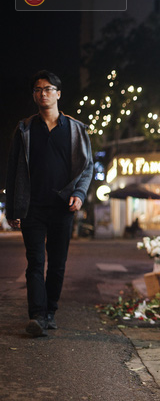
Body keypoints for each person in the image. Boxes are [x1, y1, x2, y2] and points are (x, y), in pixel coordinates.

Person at [5, 70, 93, 337]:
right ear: (34, 95)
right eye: (37, 90)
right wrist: (13, 208)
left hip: (62, 206)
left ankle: (51, 310)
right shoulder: (24, 128)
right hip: (32, 207)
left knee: (57, 263)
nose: (42, 93)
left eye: (47, 89)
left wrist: (79, 194)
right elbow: (13, 171)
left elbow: (87, 167)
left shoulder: (76, 129)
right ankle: (37, 316)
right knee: (34, 262)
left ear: (58, 94)